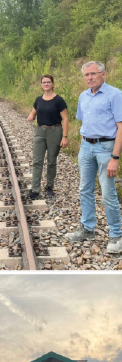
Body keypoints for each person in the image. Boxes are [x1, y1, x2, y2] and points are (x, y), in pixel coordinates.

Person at [65, 61, 122, 254]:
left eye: (93, 74)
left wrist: (115, 157)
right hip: (86, 147)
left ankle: (116, 235)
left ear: (103, 74)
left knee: (108, 193)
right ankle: (88, 228)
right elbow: (85, 122)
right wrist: (83, 146)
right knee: (85, 189)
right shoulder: (83, 96)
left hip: (106, 148)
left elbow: (121, 127)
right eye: (86, 75)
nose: (89, 78)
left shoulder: (115, 95)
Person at [26, 74, 68, 199]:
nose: (46, 84)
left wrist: (65, 136)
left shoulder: (59, 100)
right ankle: (35, 189)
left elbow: (65, 118)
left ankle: (49, 187)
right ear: (41, 85)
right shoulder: (38, 99)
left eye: (48, 82)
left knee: (51, 161)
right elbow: (33, 112)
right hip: (40, 131)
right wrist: (30, 116)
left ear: (53, 84)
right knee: (37, 161)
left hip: (55, 131)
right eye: (44, 82)